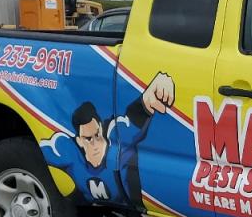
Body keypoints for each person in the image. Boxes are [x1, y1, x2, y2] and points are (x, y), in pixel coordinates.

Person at [41, 72, 174, 206]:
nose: (95, 143)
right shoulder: (68, 150)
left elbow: (134, 118)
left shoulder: (116, 135)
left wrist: (149, 97)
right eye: (88, 139)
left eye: (97, 135)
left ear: (101, 128)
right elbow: (34, 154)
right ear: (79, 141)